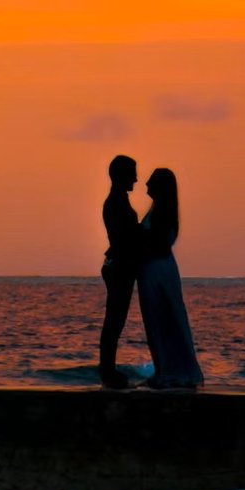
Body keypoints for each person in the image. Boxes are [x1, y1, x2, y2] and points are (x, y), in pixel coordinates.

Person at [138, 167, 203, 389]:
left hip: (157, 272)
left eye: (151, 181)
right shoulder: (158, 212)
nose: (145, 183)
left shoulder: (162, 216)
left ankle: (170, 371)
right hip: (155, 270)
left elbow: (158, 244)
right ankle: (165, 369)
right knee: (158, 320)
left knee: (163, 318)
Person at [97, 154, 143, 389]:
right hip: (118, 266)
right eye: (132, 173)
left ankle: (108, 369)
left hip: (120, 265)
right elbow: (123, 238)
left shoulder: (119, 200)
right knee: (114, 320)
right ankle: (107, 371)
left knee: (115, 320)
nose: (136, 178)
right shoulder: (115, 202)